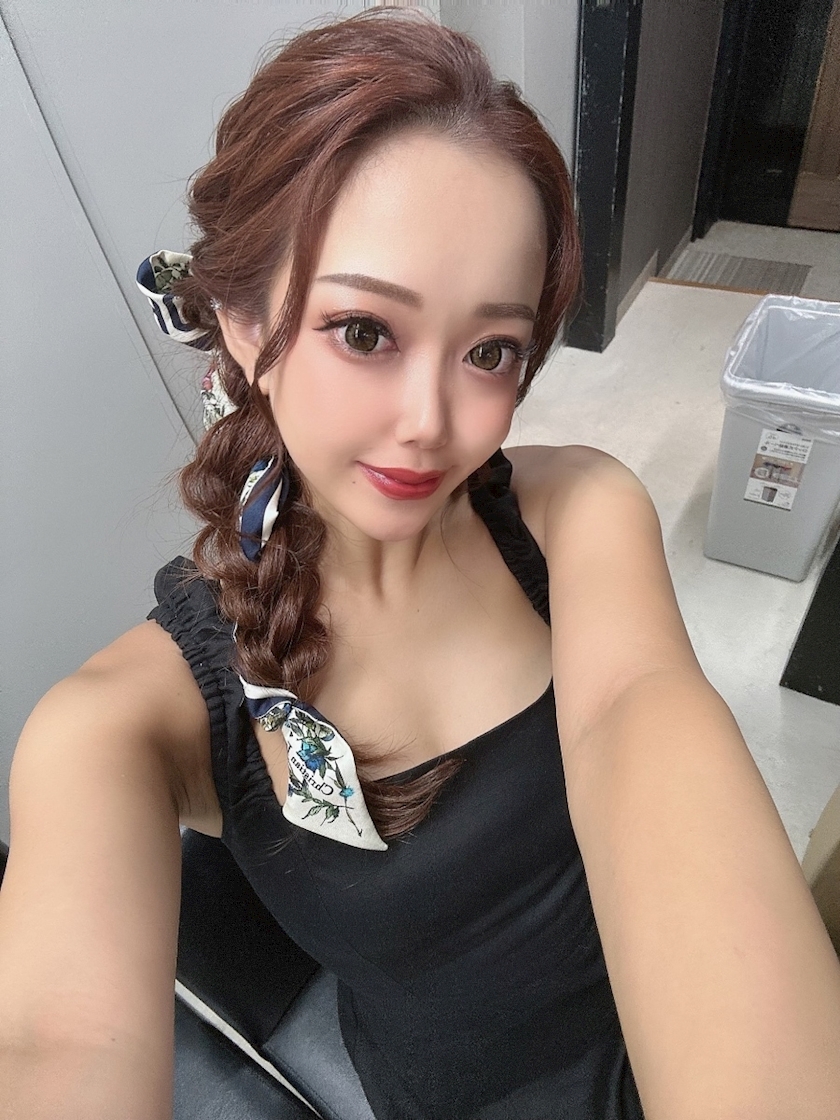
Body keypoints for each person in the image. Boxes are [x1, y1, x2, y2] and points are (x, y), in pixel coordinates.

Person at [1, 8, 839, 1120]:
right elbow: (59, 1043)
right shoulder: (119, 723)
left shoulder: (572, 513)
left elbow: (642, 722)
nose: (431, 423)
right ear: (244, 325)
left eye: (490, 350)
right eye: (366, 332)